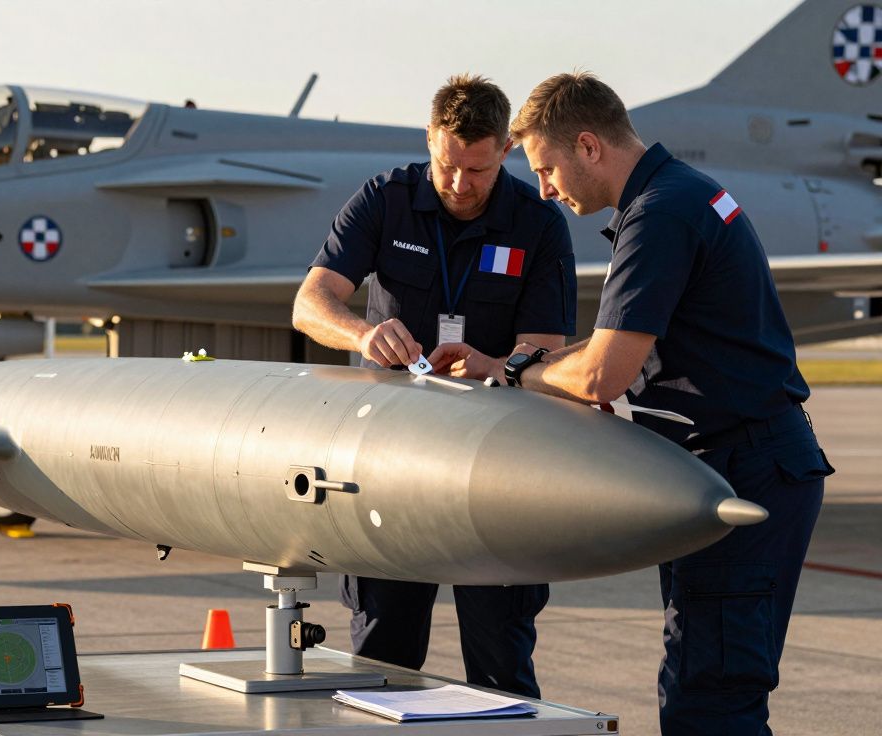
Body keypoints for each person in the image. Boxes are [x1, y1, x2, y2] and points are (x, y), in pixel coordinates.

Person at [439, 71, 833, 735]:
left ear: (587, 146)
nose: (544, 190)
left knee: (711, 704)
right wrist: (514, 364)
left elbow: (603, 377)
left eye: (545, 168)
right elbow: (613, 345)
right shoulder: (679, 194)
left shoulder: (659, 214)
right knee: (707, 690)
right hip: (739, 465)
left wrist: (521, 373)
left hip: (744, 469)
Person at [291, 74, 576, 697]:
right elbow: (310, 304)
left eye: (477, 170)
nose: (459, 185)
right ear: (429, 140)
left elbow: (549, 353)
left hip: (497, 468)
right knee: (381, 661)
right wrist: (363, 336)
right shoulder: (384, 199)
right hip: (390, 465)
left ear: (505, 150)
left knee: (501, 663)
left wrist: (494, 363)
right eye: (447, 165)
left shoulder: (538, 224)